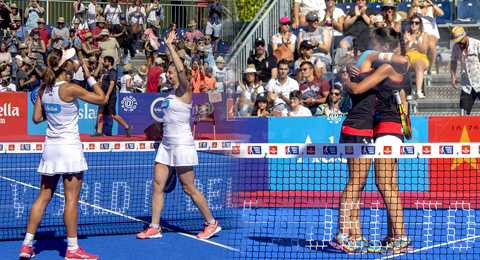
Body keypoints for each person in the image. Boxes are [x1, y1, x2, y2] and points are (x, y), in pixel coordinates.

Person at [18, 48, 105, 260]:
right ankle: (73, 249)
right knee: (71, 200)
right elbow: (102, 99)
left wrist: (56, 113)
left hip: (51, 149)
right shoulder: (71, 89)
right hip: (69, 149)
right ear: (65, 66)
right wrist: (90, 77)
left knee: (43, 196)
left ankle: (27, 245)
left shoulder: (43, 89)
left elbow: (37, 118)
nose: (74, 61)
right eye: (71, 60)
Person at [137, 30, 221, 240]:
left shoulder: (185, 91)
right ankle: (155, 226)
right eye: (168, 71)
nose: (169, 73)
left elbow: (181, 69)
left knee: (188, 187)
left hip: (182, 144)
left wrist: (169, 46)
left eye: (171, 71)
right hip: (166, 145)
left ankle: (211, 223)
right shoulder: (169, 93)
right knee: (157, 184)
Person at [335, 27, 412, 255]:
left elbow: (358, 87)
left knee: (383, 183)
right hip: (377, 128)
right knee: (385, 184)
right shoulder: (382, 69)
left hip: (387, 130)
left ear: (385, 47)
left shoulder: (387, 66)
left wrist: (344, 81)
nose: (371, 48)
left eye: (375, 43)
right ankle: (388, 236)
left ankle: (399, 236)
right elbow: (402, 99)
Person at [91, 56, 133, 137]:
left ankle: (127, 127)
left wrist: (107, 95)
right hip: (103, 96)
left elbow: (112, 84)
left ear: (110, 62)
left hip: (110, 96)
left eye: (105, 61)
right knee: (100, 112)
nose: (104, 62)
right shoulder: (106, 72)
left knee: (112, 115)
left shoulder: (112, 72)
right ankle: (99, 132)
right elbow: (100, 80)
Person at [450, 26, 480, 116]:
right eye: (457, 42)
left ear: (465, 36)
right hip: (466, 85)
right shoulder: (456, 47)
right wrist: (453, 76)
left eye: (460, 41)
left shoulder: (477, 44)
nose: (459, 44)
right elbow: (453, 60)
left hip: (479, 81)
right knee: (463, 114)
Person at [408, 0, 443, 74]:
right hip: (420, 31)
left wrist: (432, 4)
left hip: (431, 31)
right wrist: (413, 6)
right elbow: (409, 17)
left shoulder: (433, 7)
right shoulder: (416, 8)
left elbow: (441, 14)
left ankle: (433, 64)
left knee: (431, 44)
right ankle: (425, 63)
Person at [404, 14, 429, 99]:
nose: (414, 24)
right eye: (412, 22)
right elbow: (405, 50)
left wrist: (418, 40)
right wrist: (409, 42)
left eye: (416, 23)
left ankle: (418, 91)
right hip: (408, 55)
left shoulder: (424, 34)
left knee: (419, 65)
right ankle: (409, 91)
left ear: (419, 24)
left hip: (420, 56)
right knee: (404, 63)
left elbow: (424, 50)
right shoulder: (406, 34)